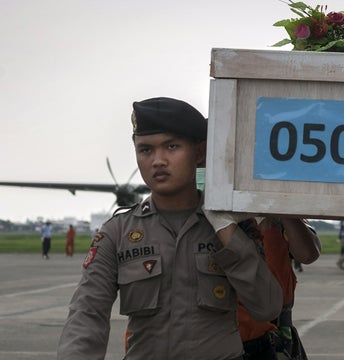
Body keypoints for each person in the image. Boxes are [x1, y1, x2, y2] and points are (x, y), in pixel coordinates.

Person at [57, 97, 283, 360]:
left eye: (172, 147)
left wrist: (227, 230)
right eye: (145, 150)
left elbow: (268, 307)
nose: (158, 160)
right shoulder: (116, 233)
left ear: (199, 153)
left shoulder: (232, 228)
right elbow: (87, 313)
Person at [240, 217, 321, 359]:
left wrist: (284, 214)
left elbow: (308, 254)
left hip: (276, 335)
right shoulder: (218, 213)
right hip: (228, 335)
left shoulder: (279, 216)